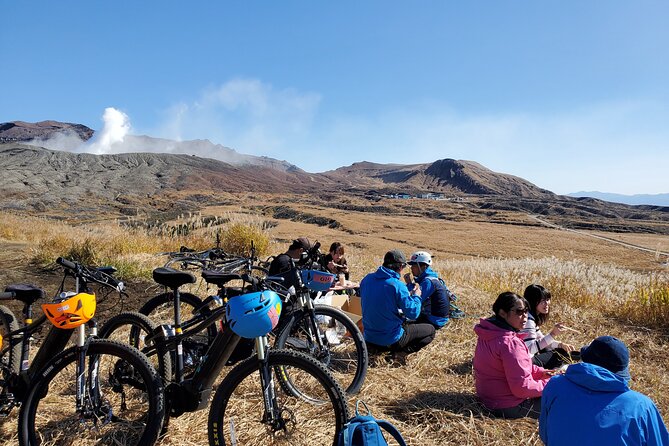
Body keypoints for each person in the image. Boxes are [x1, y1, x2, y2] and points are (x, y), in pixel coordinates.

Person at [540, 336, 669, 445]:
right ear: (620, 371)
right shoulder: (641, 407)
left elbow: (545, 435)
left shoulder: (555, 385)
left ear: (584, 360)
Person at [473, 291, 552, 419]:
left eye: (526, 311)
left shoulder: (488, 333)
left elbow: (517, 368)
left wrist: (543, 373)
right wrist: (552, 383)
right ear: (502, 313)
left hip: (487, 399)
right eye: (519, 312)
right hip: (508, 406)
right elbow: (522, 388)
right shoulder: (510, 343)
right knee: (564, 398)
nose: (525, 316)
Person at [359, 249, 435, 363]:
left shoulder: (367, 279)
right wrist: (417, 296)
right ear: (400, 266)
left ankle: (374, 349)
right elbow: (413, 313)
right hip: (390, 340)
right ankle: (399, 355)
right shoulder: (397, 285)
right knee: (431, 330)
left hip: (368, 337)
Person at [521, 284, 578, 369]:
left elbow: (541, 340)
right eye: (542, 300)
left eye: (548, 299)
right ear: (532, 301)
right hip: (526, 362)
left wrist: (560, 344)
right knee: (561, 354)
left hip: (525, 359)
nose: (546, 303)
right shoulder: (528, 320)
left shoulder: (530, 317)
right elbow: (531, 348)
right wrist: (553, 334)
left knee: (561, 351)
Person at [404, 251, 453, 329]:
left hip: (434, 320)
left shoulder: (428, 282)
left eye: (414, 265)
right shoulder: (430, 278)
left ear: (423, 267)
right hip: (438, 318)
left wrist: (409, 285)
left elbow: (414, 302)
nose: (411, 268)